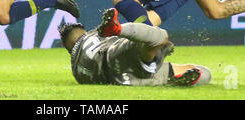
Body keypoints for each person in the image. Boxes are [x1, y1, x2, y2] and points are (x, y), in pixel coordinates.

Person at [60, 8, 211, 86]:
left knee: (148, 66)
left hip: (121, 79)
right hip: (115, 54)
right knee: (161, 37)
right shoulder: (92, 34)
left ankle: (165, 75)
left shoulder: (76, 70)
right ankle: (118, 29)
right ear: (82, 32)